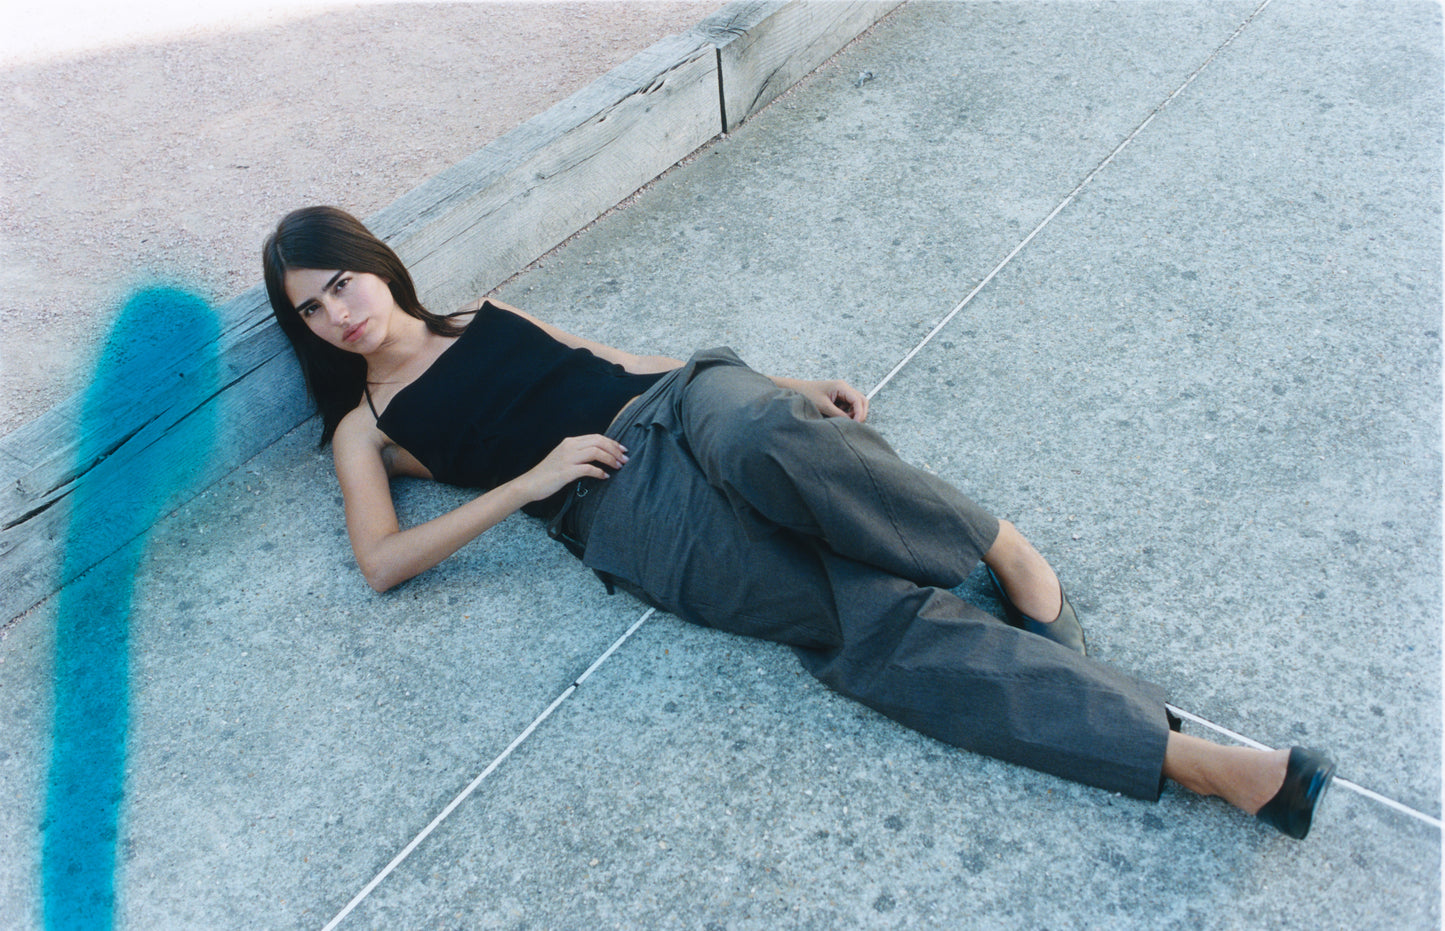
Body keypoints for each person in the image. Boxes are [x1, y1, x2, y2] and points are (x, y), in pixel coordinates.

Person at [263, 205, 1334, 839]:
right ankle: (1195, 763)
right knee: (854, 618)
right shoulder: (364, 425)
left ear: (379, 261)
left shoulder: (490, 313)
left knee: (771, 438)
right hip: (616, 505)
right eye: (310, 309)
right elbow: (383, 561)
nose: (338, 314)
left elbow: (626, 364)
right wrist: (524, 482)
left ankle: (996, 543)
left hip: (681, 403)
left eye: (341, 283)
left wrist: (785, 380)